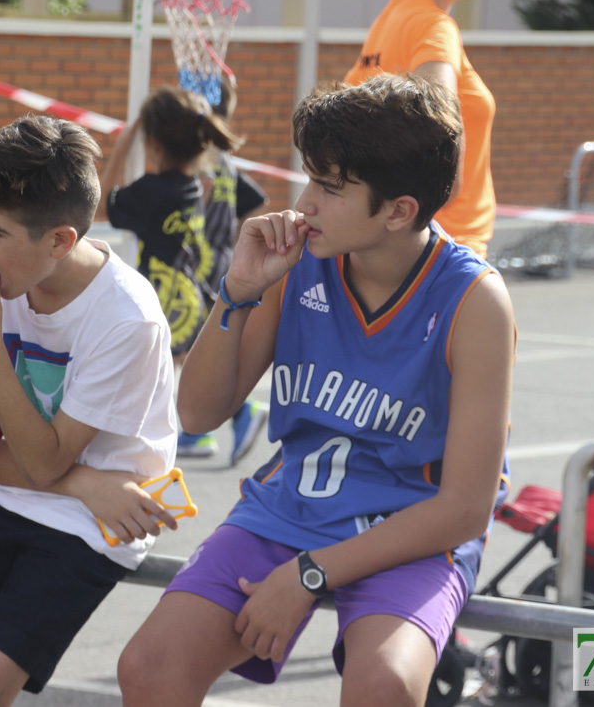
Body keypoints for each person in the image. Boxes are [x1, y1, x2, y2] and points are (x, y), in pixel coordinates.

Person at [117, 74, 515, 707]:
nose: (303, 203)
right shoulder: (297, 260)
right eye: (309, 178)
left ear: (398, 210)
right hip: (290, 510)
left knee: (383, 687)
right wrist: (238, 293)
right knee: (148, 667)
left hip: (410, 528)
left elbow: (464, 508)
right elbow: (197, 411)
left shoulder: (474, 300)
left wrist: (309, 574)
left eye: (329, 188)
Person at [0, 115, 180, 707]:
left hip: (89, 528)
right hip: (30, 496)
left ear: (60, 240)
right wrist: (89, 485)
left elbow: (43, 463)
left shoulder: (125, 317)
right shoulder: (2, 284)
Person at [344, 0, 496, 260]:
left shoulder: (389, 20)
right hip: (443, 243)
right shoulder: (432, 23)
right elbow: (438, 128)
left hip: (395, 240)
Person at [94, 86, 242, 363]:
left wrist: (123, 146)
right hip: (190, 300)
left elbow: (101, 205)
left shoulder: (152, 191)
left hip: (161, 302)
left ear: (154, 143)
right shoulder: (195, 187)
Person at [179, 77, 270, 463]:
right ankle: (203, 427)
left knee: (187, 348)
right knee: (192, 349)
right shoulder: (225, 163)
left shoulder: (202, 165)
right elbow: (257, 201)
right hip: (215, 263)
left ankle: (229, 417)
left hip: (197, 266)